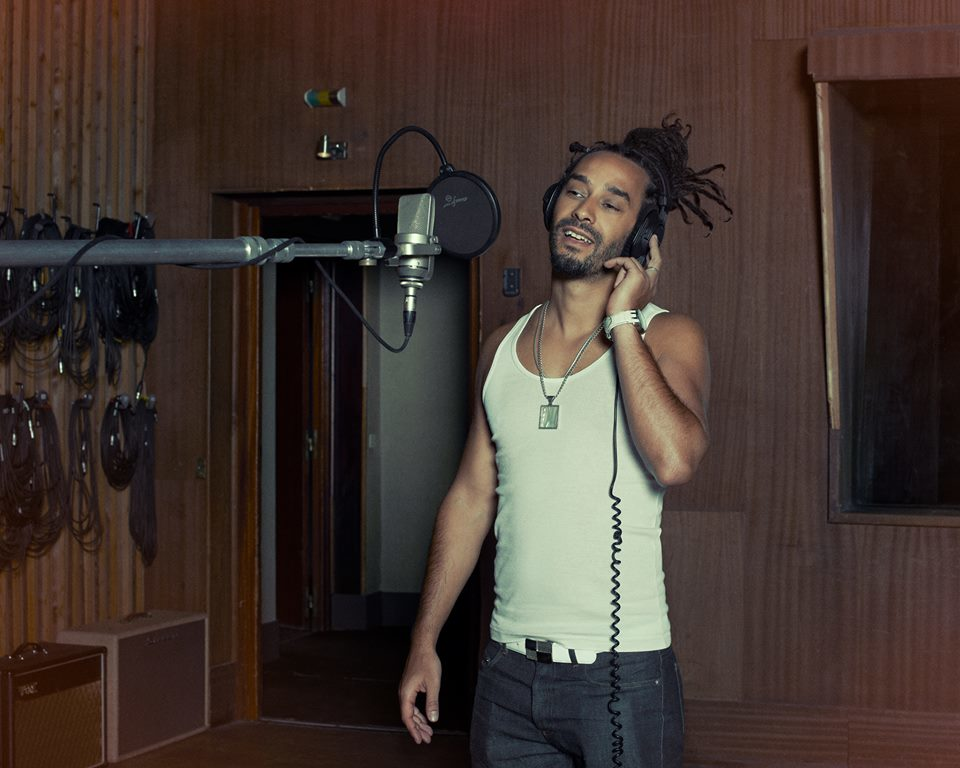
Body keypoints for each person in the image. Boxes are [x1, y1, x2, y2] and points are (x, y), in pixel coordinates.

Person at [398, 116, 731, 767]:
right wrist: (423, 640)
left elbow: (674, 459)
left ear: (642, 238)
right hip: (506, 675)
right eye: (576, 191)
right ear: (553, 204)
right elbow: (470, 499)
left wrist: (624, 320)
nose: (584, 209)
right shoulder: (499, 348)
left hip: (624, 678)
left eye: (611, 202)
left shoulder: (669, 337)